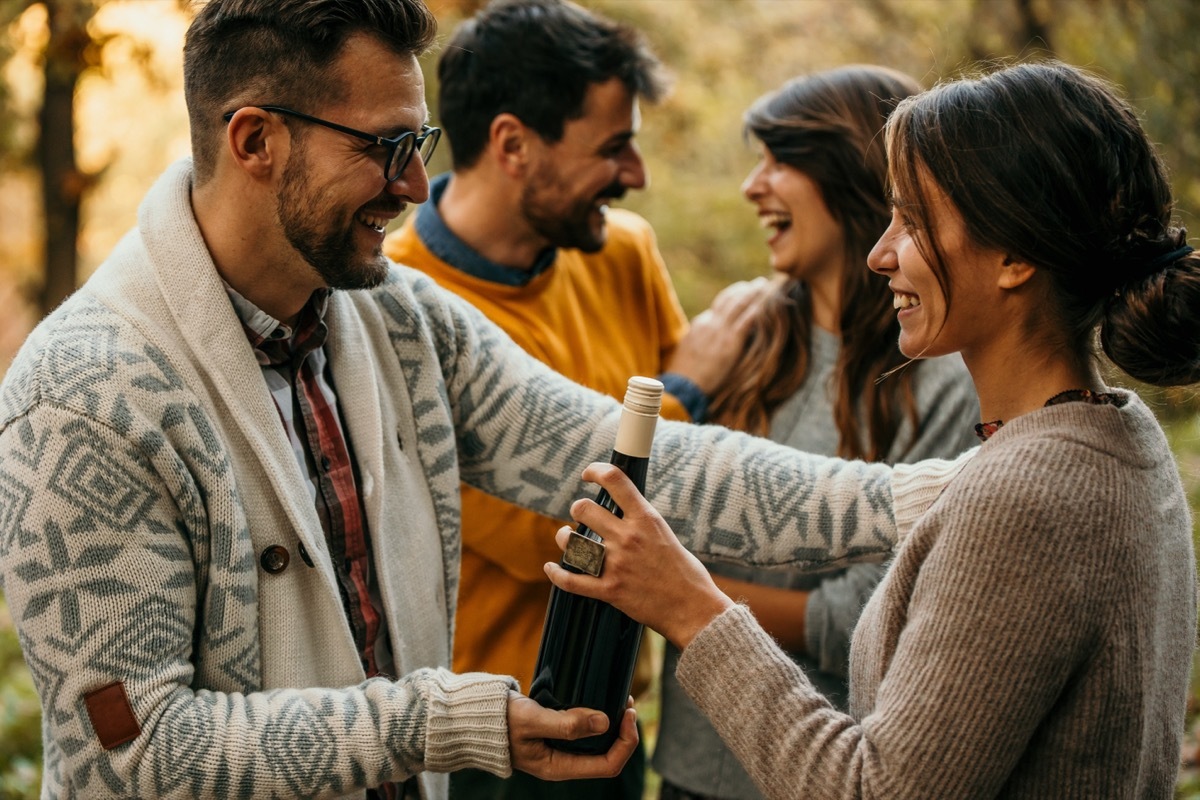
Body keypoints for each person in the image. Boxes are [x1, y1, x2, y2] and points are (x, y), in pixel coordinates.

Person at [0, 0, 939, 797]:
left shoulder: (400, 321)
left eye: (422, 145)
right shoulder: (82, 394)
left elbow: (642, 470)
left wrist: (932, 498)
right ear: (255, 140)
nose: (415, 185)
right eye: (388, 148)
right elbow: (140, 750)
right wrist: (446, 720)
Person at [548, 59, 1199, 799]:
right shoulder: (1120, 435)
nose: (879, 253)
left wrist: (690, 605)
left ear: (1015, 256)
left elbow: (875, 791)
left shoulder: (1027, 493)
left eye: (914, 223)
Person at [381, 1, 755, 795]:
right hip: (489, 745)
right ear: (513, 144)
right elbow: (551, 539)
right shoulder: (399, 303)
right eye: (613, 148)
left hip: (615, 728)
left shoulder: (624, 251)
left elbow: (674, 494)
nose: (637, 177)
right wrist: (687, 386)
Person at [652, 65, 979, 800]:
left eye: (779, 160)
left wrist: (669, 589)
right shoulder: (741, 334)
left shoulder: (942, 378)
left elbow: (861, 615)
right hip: (685, 762)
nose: (751, 185)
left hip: (817, 765)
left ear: (849, 174)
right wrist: (688, 387)